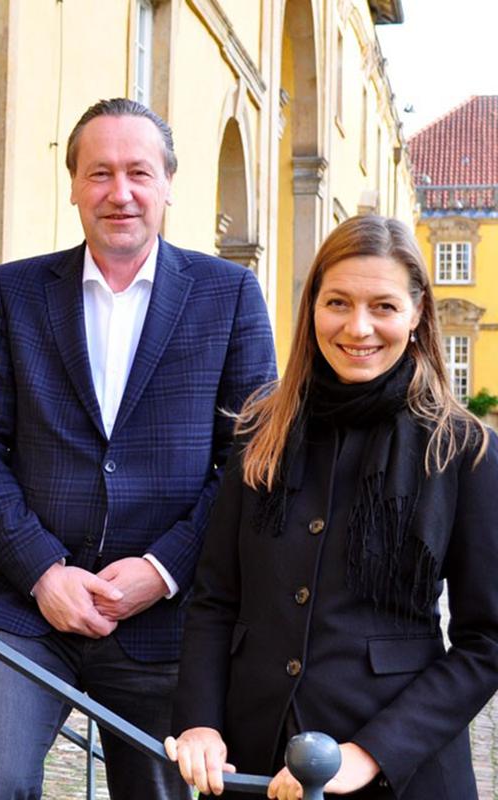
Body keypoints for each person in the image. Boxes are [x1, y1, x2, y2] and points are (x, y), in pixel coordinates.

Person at [0, 97, 277, 799]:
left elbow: (250, 457)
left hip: (167, 616)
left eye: (138, 172)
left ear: (167, 185)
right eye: (99, 173)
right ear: (72, 184)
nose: (119, 193)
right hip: (29, 608)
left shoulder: (231, 295)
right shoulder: (14, 292)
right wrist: (44, 573)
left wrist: (161, 569)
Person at [164, 215, 498, 800]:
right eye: (338, 302)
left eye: (384, 306)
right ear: (312, 305)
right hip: (256, 761)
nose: (358, 327)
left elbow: (487, 642)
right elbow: (215, 599)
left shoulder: (463, 450)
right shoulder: (260, 431)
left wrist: (371, 753)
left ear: (418, 314)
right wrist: (199, 722)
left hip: (402, 769)